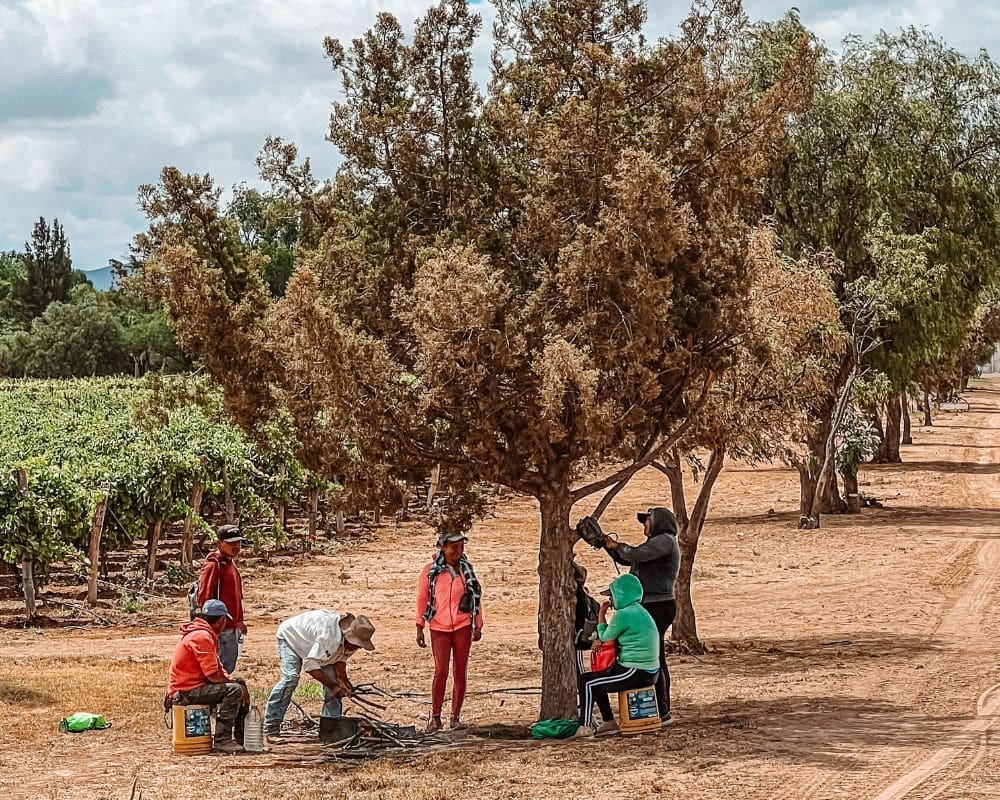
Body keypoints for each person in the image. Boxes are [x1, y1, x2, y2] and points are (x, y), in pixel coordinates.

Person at [603, 506, 680, 724]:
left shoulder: (664, 541)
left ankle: (662, 710)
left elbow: (634, 554)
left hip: (658, 604)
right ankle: (657, 708)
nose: (644, 525)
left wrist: (615, 545)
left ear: (659, 523)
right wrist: (607, 545)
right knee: (654, 657)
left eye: (647, 521)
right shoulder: (658, 543)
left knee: (655, 658)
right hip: (653, 604)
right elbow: (630, 559)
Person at [263, 609, 375, 739]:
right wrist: (333, 686)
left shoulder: (352, 642)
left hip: (314, 647)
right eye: (355, 644)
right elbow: (310, 665)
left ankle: (331, 728)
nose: (356, 648)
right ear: (348, 636)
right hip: (291, 638)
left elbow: (340, 660)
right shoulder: (329, 637)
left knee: (334, 682)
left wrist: (343, 681)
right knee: (291, 678)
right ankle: (271, 726)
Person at [575, 573, 659, 737]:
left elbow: (606, 637)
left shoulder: (624, 614)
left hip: (636, 671)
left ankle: (584, 726)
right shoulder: (640, 611)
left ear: (622, 595)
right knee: (595, 679)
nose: (611, 601)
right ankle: (608, 722)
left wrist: (601, 615)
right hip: (648, 671)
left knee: (587, 682)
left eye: (612, 596)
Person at [415, 532, 483, 733]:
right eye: (454, 547)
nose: (457, 551)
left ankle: (455, 717)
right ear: (443, 547)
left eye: (461, 547)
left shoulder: (466, 570)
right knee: (441, 671)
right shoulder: (430, 571)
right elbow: (422, 598)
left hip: (462, 625)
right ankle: (435, 717)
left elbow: (476, 598)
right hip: (438, 627)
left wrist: (478, 624)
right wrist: (419, 625)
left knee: (460, 671)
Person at [166, 598, 249, 754]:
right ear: (221, 620)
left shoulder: (201, 634)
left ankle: (240, 737)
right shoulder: (202, 637)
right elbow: (212, 675)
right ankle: (222, 740)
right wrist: (234, 684)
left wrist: (233, 680)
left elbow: (217, 668)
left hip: (190, 687)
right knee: (235, 690)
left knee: (238, 684)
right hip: (185, 692)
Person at [196, 524, 246, 673]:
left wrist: (239, 622)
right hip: (221, 628)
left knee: (227, 667)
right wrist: (213, 626)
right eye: (231, 543)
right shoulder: (214, 565)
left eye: (238, 542)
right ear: (219, 543)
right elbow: (204, 598)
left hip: (231, 627)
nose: (236, 546)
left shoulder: (229, 563)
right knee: (220, 669)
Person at [573, 560, 600, 673]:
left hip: (578, 641)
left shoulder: (577, 597)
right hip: (585, 639)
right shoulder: (586, 596)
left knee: (581, 675)